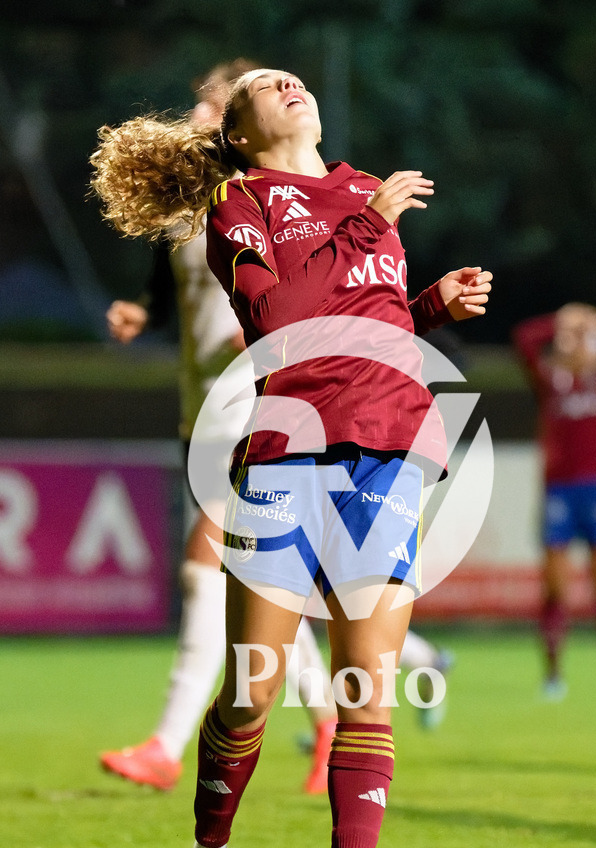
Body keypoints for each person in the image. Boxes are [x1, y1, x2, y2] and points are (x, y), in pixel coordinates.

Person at [90, 67, 492, 848]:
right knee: (251, 695)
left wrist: (431, 304)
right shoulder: (240, 206)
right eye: (264, 87)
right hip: (284, 455)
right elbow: (284, 320)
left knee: (365, 692)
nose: (285, 83)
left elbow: (375, 322)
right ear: (237, 132)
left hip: (391, 450)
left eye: (292, 79)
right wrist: (374, 227)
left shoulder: (360, 187)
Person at [98, 60, 338, 797]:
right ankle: (332, 715)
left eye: (212, 100)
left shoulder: (267, 194)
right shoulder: (200, 202)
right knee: (260, 579)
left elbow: (299, 279)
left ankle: (168, 745)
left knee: (207, 567)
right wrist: (146, 308)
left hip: (252, 398)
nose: (197, 110)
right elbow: (185, 279)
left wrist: (270, 326)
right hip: (202, 405)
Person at [513, 302, 596, 701]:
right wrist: (561, 322)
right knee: (555, 588)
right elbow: (524, 340)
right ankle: (553, 675)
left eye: (584, 338)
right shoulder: (549, 379)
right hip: (559, 492)